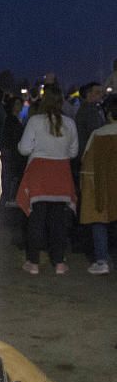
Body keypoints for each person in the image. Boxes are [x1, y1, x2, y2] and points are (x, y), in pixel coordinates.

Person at [17, 85, 79, 274]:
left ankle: (33, 262)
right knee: (58, 221)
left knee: (36, 219)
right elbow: (73, 152)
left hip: (39, 174)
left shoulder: (35, 121)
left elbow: (24, 148)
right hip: (61, 174)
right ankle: (59, 262)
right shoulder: (69, 123)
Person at [79, 94, 117, 274]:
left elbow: (87, 161)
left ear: (108, 114)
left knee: (99, 221)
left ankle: (102, 260)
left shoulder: (98, 134)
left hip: (103, 185)